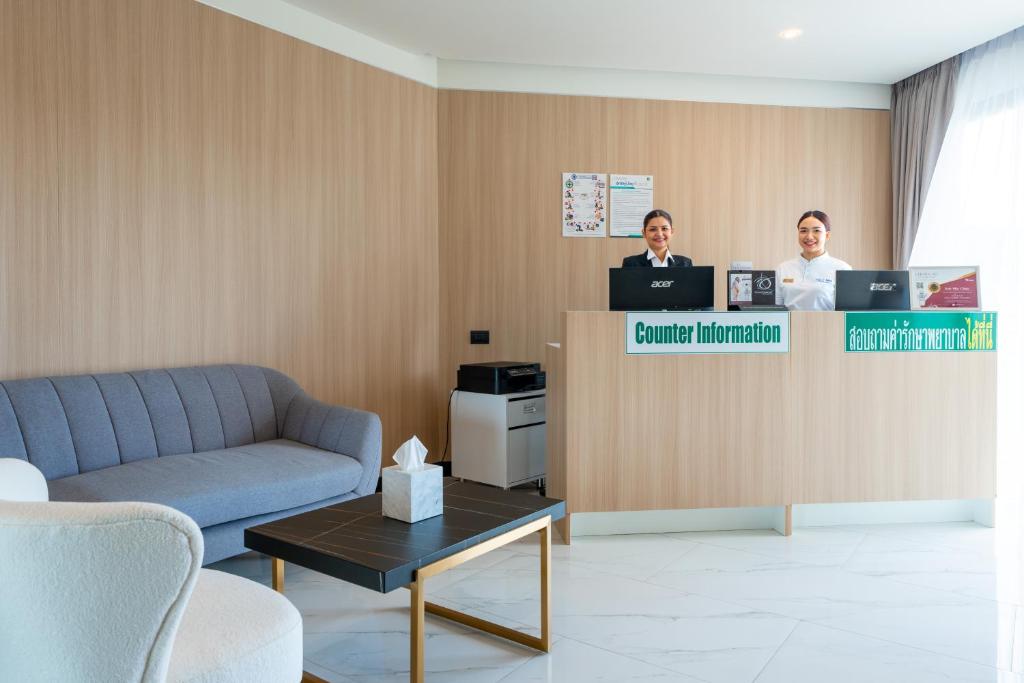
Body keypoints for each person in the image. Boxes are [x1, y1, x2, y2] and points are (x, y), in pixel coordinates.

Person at [775, 210, 851, 310]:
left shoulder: (842, 268)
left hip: (827, 320)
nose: (809, 236)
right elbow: (776, 309)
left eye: (816, 231)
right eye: (803, 231)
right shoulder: (783, 268)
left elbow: (847, 311)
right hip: (789, 321)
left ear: (827, 235)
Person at [621, 209, 693, 268]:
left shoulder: (685, 264)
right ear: (644, 233)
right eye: (653, 229)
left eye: (664, 228)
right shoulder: (631, 264)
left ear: (671, 232)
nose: (659, 234)